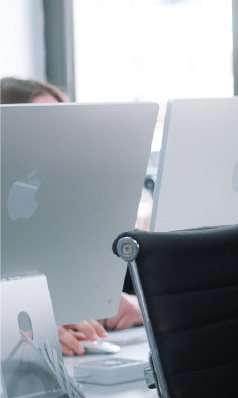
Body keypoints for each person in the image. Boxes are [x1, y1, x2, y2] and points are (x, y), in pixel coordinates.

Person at [2, 75, 144, 354]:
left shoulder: (77, 221)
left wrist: (134, 308)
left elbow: (121, 294)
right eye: (40, 129)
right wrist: (18, 332)